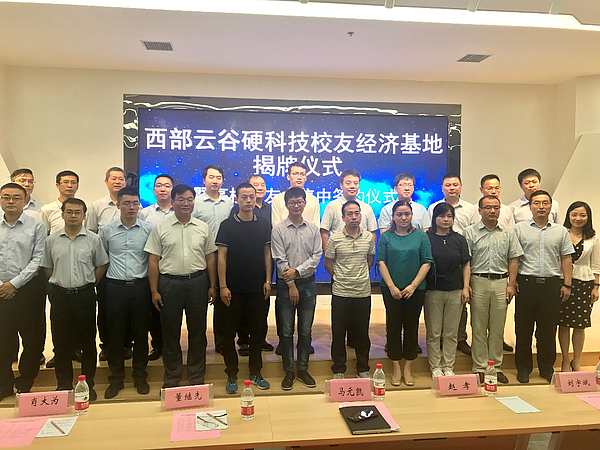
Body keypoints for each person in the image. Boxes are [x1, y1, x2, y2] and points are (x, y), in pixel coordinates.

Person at [144, 184, 218, 389]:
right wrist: (154, 290)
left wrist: (213, 285)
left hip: (197, 283)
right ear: (173, 202)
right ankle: (172, 377)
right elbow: (153, 260)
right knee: (170, 332)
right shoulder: (161, 227)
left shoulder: (203, 227)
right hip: (169, 284)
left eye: (189, 199)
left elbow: (210, 258)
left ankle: (196, 377)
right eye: (181, 199)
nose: (186, 203)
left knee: (198, 332)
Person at [41, 198, 109, 400]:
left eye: (77, 212)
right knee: (61, 342)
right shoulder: (51, 240)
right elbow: (48, 267)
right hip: (60, 296)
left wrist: (89, 283)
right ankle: (63, 385)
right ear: (62, 214)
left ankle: (87, 385)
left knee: (88, 342)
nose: (73, 216)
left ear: (84, 216)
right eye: (69, 212)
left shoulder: (93, 239)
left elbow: (101, 264)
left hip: (84, 295)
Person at [216, 183, 272, 393]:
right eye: (244, 197)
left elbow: (267, 253)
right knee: (228, 334)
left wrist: (268, 280)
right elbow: (221, 257)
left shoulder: (264, 224)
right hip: (232, 290)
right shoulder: (227, 225)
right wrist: (223, 286)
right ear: (237, 199)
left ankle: (256, 372)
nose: (248, 201)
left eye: (251, 196)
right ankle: (231, 373)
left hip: (258, 289)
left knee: (257, 333)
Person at [514, 190, 573, 383]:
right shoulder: (519, 229)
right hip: (526, 284)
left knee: (548, 329)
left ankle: (546, 368)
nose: (541, 207)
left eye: (545, 203)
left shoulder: (561, 231)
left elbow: (566, 258)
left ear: (551, 206)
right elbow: (513, 258)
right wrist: (512, 281)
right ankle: (523, 369)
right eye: (537, 203)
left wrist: (567, 284)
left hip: (551, 285)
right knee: (523, 329)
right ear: (530, 206)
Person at [99, 187, 153, 399]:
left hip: (140, 287)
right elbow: (102, 260)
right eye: (127, 203)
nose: (131, 207)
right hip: (115, 287)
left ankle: (140, 376)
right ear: (118, 205)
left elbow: (152, 260)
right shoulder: (107, 230)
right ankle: (116, 379)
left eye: (135, 203)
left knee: (141, 334)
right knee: (115, 335)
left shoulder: (148, 229)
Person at [465, 196, 523, 384]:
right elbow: (466, 262)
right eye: (488, 207)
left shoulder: (508, 232)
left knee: (497, 328)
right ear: (479, 210)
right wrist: (467, 284)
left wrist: (511, 284)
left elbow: (513, 259)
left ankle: (496, 367)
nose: (492, 211)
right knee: (479, 327)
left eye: (496, 208)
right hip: (478, 281)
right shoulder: (469, 232)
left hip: (500, 282)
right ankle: (480, 367)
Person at [271, 187, 322, 390]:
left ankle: (302, 369)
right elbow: (279, 259)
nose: (296, 205)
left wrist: (297, 272)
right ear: (286, 205)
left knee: (305, 330)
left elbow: (316, 256)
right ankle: (288, 372)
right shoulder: (278, 230)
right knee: (286, 331)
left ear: (304, 204)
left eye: (299, 202)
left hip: (308, 283)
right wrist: (291, 283)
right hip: (286, 287)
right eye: (292, 202)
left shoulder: (313, 229)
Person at [0, 183, 46, 401]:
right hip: (0, 290)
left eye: (16, 198)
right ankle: (4, 384)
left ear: (25, 201)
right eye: (6, 197)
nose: (11, 201)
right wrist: (3, 285)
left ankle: (26, 380)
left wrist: (14, 284)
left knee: (32, 339)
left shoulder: (36, 226)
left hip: (29, 290)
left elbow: (38, 259)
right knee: (3, 339)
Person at [378, 201, 432, 386]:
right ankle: (395, 367)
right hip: (390, 289)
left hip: (415, 290)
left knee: (411, 327)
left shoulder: (421, 236)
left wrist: (413, 286)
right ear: (393, 217)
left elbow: (426, 262)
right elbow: (381, 262)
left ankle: (408, 367)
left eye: (407, 214)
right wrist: (392, 286)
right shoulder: (386, 237)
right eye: (399, 214)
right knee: (393, 327)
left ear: (412, 215)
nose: (403, 218)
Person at [324, 201, 376, 379]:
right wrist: (339, 277)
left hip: (362, 292)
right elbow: (328, 263)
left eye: (357, 213)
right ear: (343, 217)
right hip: (341, 292)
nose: (354, 217)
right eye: (350, 214)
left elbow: (370, 260)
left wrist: (359, 275)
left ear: (361, 215)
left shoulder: (368, 237)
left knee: (362, 333)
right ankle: (339, 369)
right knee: (339, 334)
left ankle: (363, 368)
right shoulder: (335, 238)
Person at [427, 172, 475, 356]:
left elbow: (473, 233)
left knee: (458, 315)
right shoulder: (433, 209)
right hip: (435, 279)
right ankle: (437, 350)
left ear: (461, 186)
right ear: (442, 187)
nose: (446, 219)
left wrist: (466, 285)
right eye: (448, 185)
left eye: (455, 184)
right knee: (435, 323)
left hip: (458, 263)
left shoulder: (470, 209)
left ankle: (459, 341)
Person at [86, 167, 128, 362]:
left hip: (127, 267)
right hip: (104, 268)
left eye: (121, 179)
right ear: (106, 182)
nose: (118, 182)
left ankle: (126, 345)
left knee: (127, 311)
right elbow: (91, 235)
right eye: (114, 179)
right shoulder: (97, 206)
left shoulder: (135, 205)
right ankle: (106, 345)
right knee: (105, 310)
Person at [424, 203, 470, 380]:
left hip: (455, 290)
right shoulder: (426, 238)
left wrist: (465, 287)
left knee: (451, 332)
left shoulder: (459, 239)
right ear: (434, 218)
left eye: (449, 216)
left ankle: (448, 366)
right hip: (433, 290)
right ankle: (435, 366)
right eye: (442, 216)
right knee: (434, 332)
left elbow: (465, 264)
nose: (446, 219)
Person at [192, 165, 233, 355]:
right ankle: (199, 344)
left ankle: (222, 342)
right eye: (211, 177)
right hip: (202, 256)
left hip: (224, 256)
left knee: (223, 300)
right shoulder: (196, 203)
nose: (215, 181)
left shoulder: (229, 202)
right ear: (204, 180)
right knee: (202, 299)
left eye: (218, 177)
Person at [232, 174, 274, 355]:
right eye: (255, 185)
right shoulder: (237, 209)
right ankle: (243, 340)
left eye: (262, 184)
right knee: (242, 306)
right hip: (242, 265)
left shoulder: (270, 208)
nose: (259, 188)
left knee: (261, 305)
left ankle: (260, 338)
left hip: (263, 261)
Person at [10, 169, 46, 367]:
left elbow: (39, 253)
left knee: (33, 322)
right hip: (4, 281)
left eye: (30, 181)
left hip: (32, 277)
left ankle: (34, 356)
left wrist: (18, 281)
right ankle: (9, 356)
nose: (27, 184)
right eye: (22, 180)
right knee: (6, 323)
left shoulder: (41, 211)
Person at [558, 201, 600, 372]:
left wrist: (596, 286)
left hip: (584, 283)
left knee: (580, 324)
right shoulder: (561, 233)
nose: (578, 218)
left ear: (588, 217)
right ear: (568, 216)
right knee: (563, 323)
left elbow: (595, 265)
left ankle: (576, 361)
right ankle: (565, 360)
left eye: (582, 215)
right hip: (562, 281)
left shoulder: (593, 238)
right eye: (574, 214)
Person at [139, 173, 175, 361]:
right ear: (153, 190)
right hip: (152, 267)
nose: (163, 189)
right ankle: (158, 345)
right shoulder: (144, 213)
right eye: (159, 185)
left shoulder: (180, 212)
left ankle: (172, 346)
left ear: (172, 190)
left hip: (174, 267)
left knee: (173, 311)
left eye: (167, 186)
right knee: (155, 310)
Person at [320, 168, 377, 253]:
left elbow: (372, 233)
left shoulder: (367, 208)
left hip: (361, 256)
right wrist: (328, 255)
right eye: (348, 183)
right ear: (341, 185)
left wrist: (369, 254)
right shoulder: (332, 206)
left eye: (356, 183)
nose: (352, 186)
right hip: (338, 255)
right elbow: (324, 232)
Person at [271, 162, 320, 227]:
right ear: (288, 177)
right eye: (295, 174)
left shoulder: (313, 200)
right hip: (284, 233)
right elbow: (276, 225)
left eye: (302, 174)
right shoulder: (278, 199)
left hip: (308, 233)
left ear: (305, 178)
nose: (299, 177)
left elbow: (316, 226)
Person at [39, 170, 80, 235]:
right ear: (57, 185)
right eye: (65, 182)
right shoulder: (47, 210)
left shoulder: (83, 209)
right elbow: (43, 235)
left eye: (73, 182)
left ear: (77, 186)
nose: (69, 185)